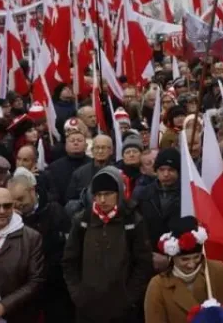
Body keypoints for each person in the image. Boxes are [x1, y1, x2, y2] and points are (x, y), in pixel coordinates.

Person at [61, 165, 154, 323]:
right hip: (87, 308)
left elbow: (143, 263)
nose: (102, 200)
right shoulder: (82, 220)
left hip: (123, 310)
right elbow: (69, 261)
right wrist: (78, 294)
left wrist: (129, 297)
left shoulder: (132, 220)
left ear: (119, 193)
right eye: (98, 194)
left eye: (108, 194)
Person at [145, 216, 223, 323]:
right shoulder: (158, 286)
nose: (191, 264)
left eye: (196, 257)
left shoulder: (218, 271)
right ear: (173, 257)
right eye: (184, 259)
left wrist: (222, 316)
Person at [0, 187, 46, 323]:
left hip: (17, 315)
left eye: (7, 206)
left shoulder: (31, 238)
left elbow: (36, 281)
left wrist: (5, 305)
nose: (2, 211)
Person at [135, 147, 184, 270]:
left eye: (171, 170)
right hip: (149, 258)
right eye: (162, 170)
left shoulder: (187, 195)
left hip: (180, 260)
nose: (166, 174)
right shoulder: (143, 195)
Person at [65, 134, 116, 217]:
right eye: (97, 148)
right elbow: (70, 200)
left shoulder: (118, 172)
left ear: (111, 151)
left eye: (103, 148)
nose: (100, 151)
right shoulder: (79, 173)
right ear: (92, 151)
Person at [44, 122, 89, 208]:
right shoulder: (53, 168)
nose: (76, 143)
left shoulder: (92, 164)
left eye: (79, 141)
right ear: (65, 146)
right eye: (72, 141)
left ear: (86, 146)